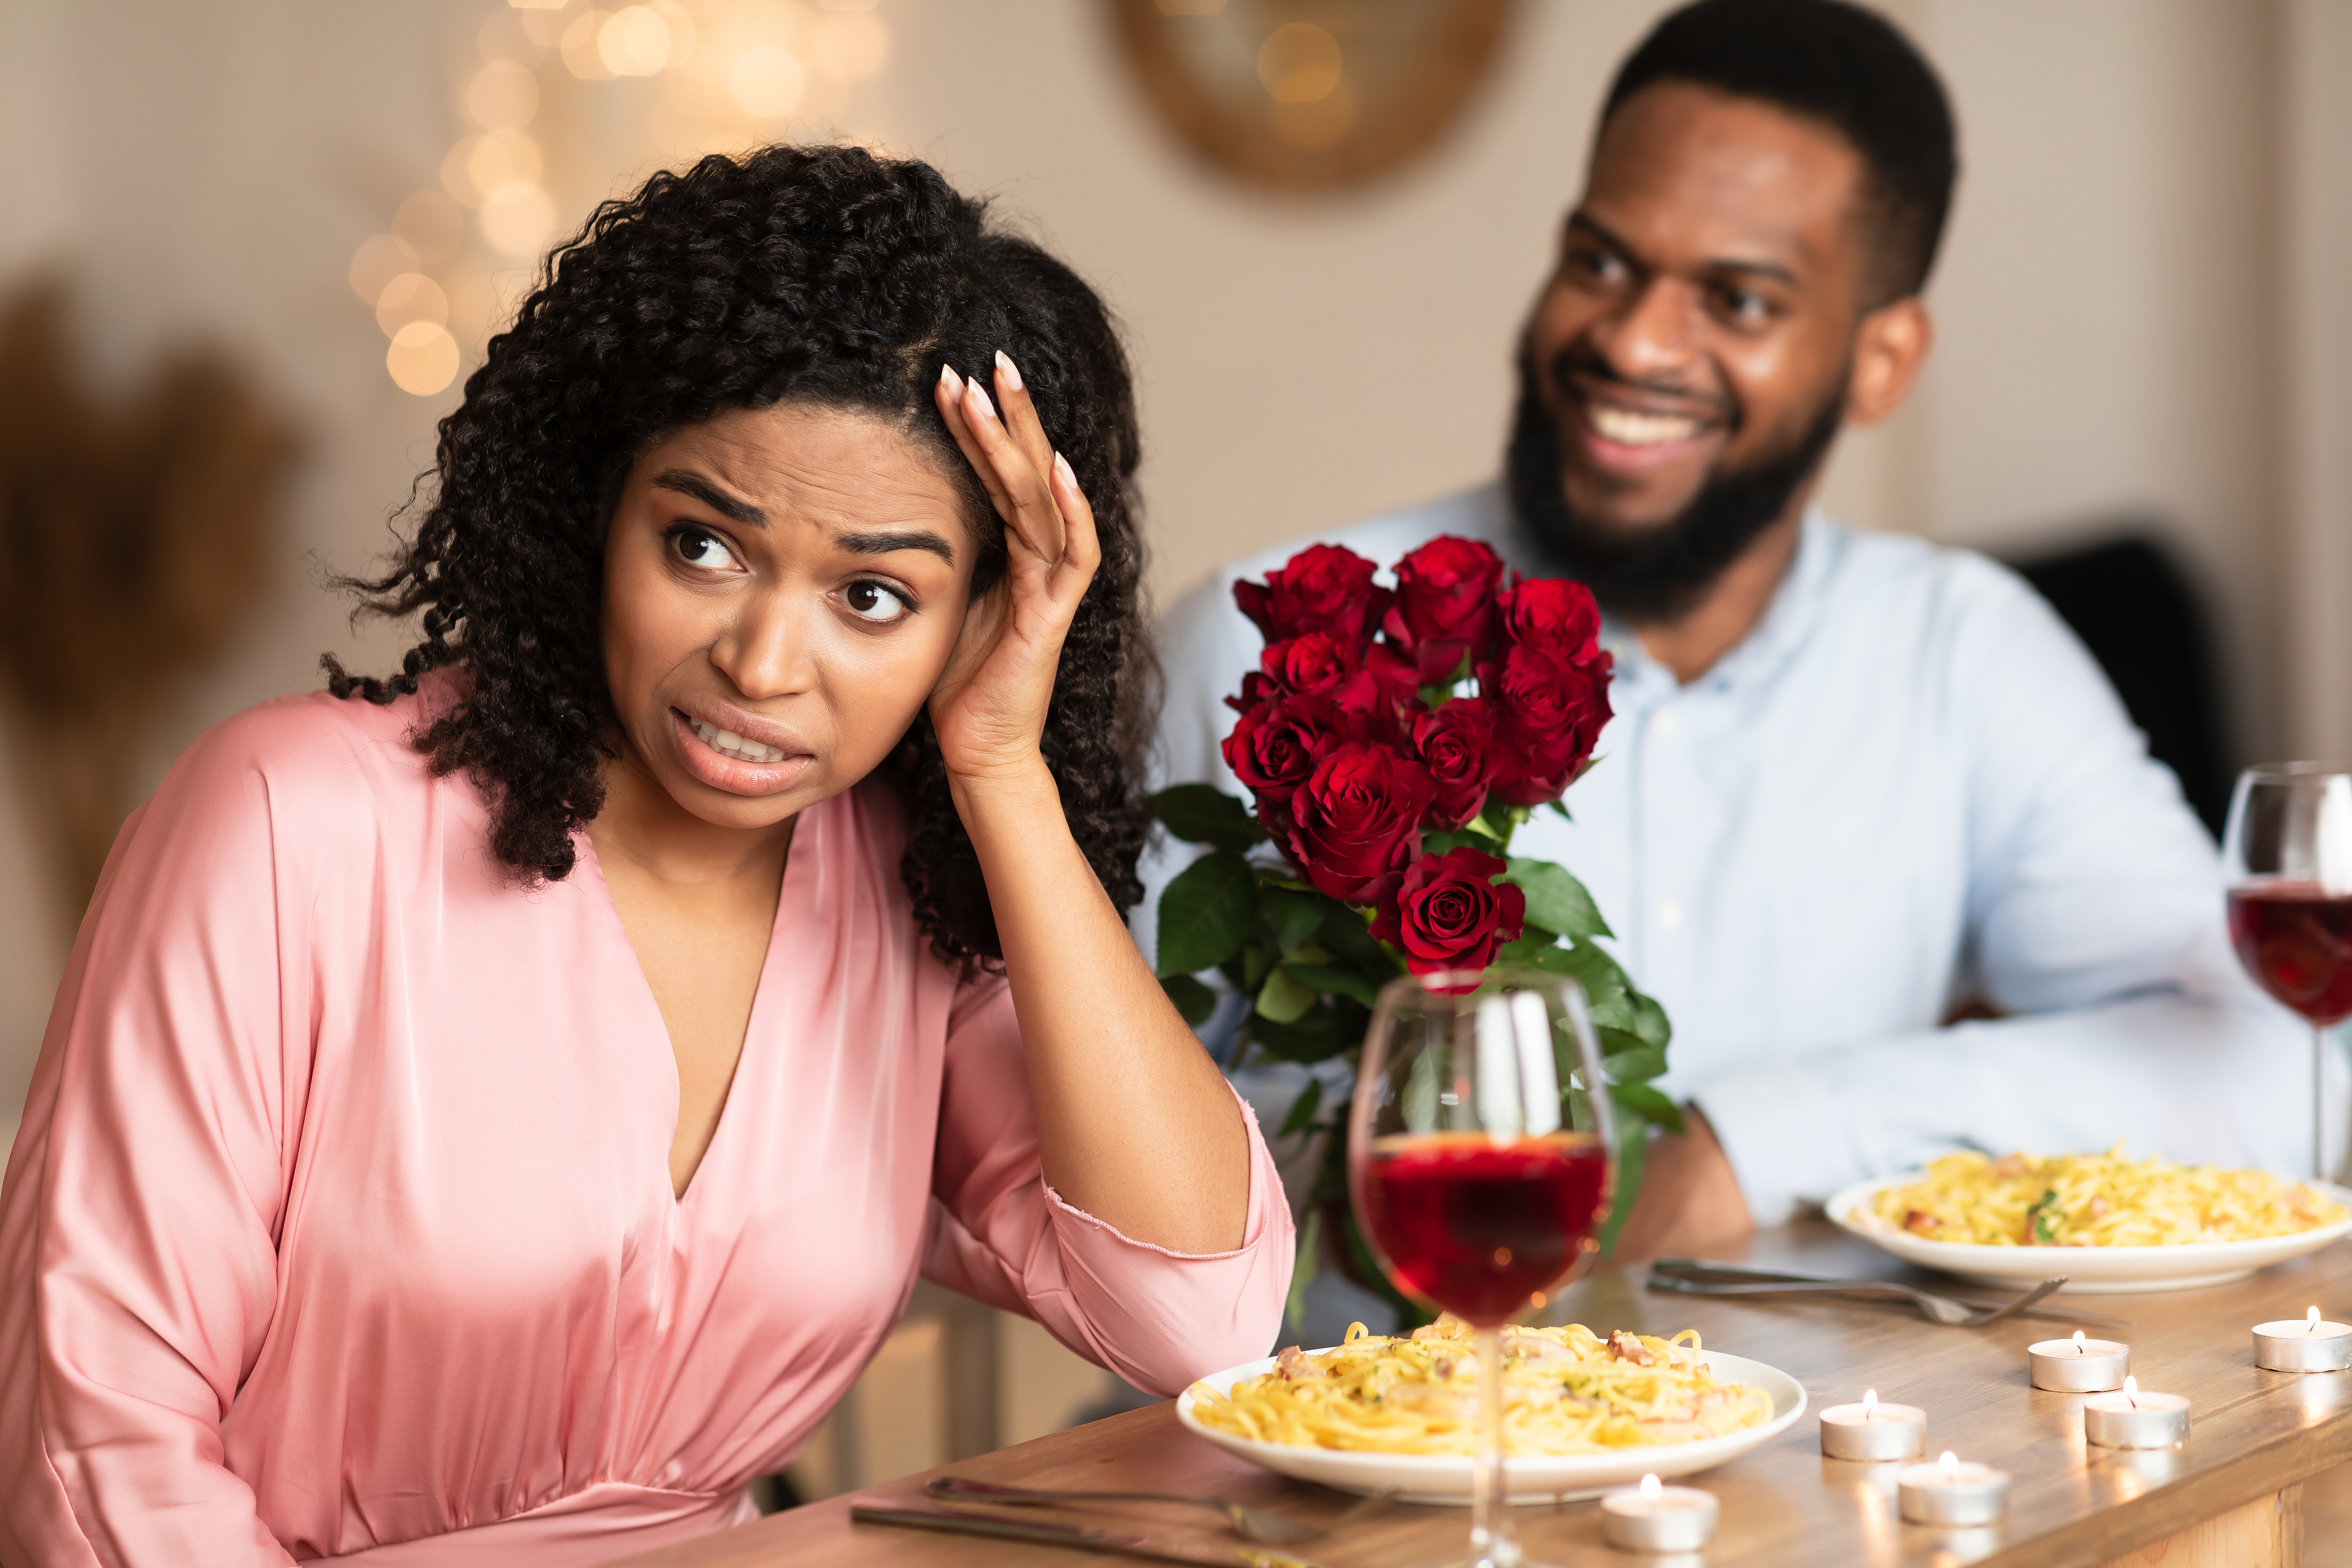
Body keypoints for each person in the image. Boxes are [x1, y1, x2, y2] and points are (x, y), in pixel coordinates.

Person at [0, 146, 1291, 1566]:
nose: (761, 660)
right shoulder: (285, 820)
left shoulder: (908, 895)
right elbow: (96, 1435)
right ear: (595, 505)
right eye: (702, 545)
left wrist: (1001, 772)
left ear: (973, 618)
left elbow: (1198, 1321)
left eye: (873, 595)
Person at [1145, 0, 2321, 1276]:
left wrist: (1759, 1137)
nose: (1632, 339)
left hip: (1786, 1457)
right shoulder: (1263, 637)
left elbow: (2266, 1059)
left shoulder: (1959, 651)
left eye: (1738, 299)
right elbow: (1055, 1140)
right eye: (1598, 261)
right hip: (1313, 1443)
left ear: (1880, 361)